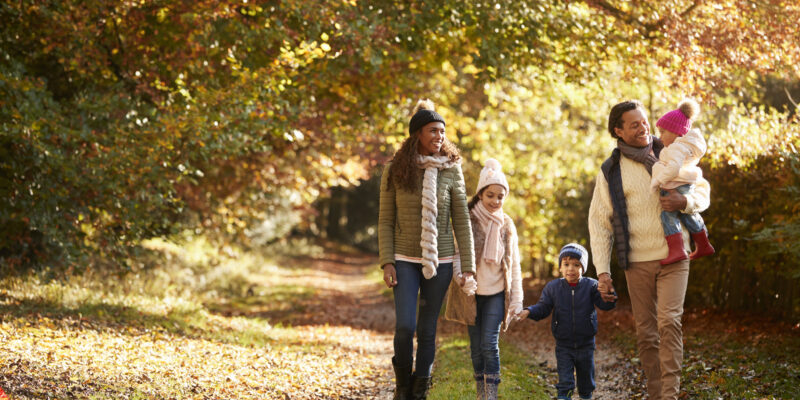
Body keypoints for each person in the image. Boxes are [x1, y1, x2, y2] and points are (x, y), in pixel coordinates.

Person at [588, 100, 711, 399]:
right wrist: (602, 272)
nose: (644, 128)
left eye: (644, 122)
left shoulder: (671, 151)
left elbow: (703, 190)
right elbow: (599, 223)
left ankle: (669, 394)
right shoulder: (611, 170)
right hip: (637, 261)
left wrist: (685, 203)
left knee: (669, 321)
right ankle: (656, 393)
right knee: (646, 333)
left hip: (676, 255)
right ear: (617, 131)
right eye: (634, 124)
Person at [379, 98, 475, 400]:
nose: (439, 137)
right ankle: (402, 385)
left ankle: (420, 387)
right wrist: (387, 262)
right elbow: (385, 220)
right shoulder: (395, 169)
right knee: (406, 326)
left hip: (441, 260)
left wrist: (468, 264)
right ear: (417, 133)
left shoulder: (451, 170)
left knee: (428, 327)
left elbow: (461, 219)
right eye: (433, 131)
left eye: (443, 132)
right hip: (404, 259)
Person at [444, 158, 523, 400]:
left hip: (497, 294)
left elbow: (514, 265)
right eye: (490, 195)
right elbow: (457, 254)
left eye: (500, 196)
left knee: (490, 344)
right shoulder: (467, 219)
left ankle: (491, 396)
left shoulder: (507, 225)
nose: (495, 201)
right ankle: (481, 393)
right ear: (480, 193)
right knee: (476, 350)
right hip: (472, 293)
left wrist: (516, 300)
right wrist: (461, 278)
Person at [515, 243, 617, 400]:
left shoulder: (591, 286)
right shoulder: (553, 288)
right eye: (566, 264)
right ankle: (564, 396)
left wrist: (609, 295)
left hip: (586, 343)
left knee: (586, 380)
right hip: (563, 344)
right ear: (560, 267)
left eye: (576, 265)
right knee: (565, 381)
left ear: (583, 268)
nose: (571, 269)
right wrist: (529, 311)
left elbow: (605, 304)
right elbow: (543, 307)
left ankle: (586, 396)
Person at [650, 99, 715, 264]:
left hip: (676, 184)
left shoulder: (677, 148)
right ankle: (703, 243)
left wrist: (658, 180)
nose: (660, 136)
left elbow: (673, 169)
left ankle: (677, 249)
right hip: (683, 184)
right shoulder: (683, 147)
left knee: (667, 216)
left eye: (663, 131)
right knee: (688, 216)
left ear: (677, 132)